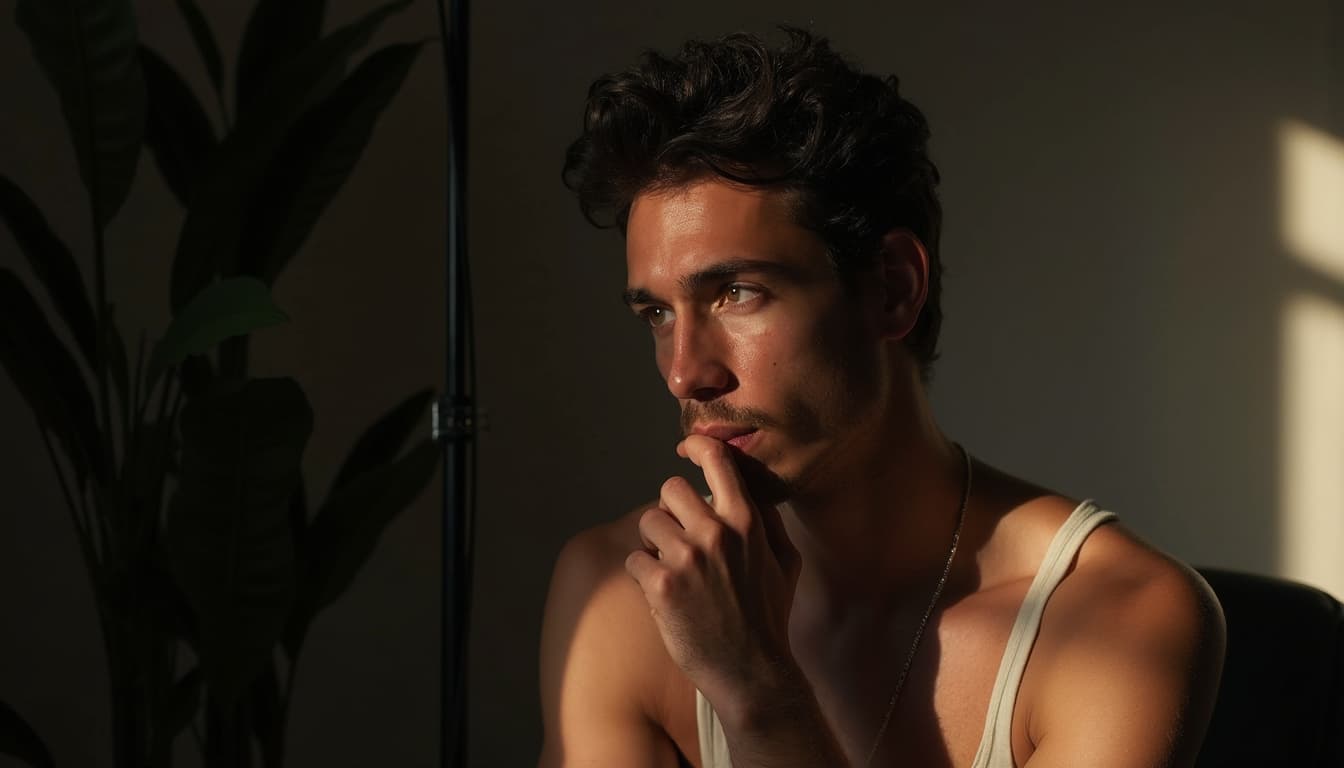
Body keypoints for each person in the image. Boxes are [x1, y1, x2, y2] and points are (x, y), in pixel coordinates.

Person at [539, 27, 1225, 768]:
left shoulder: (1115, 619)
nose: (685, 374)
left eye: (737, 293)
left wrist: (754, 688)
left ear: (893, 289)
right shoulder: (619, 596)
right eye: (658, 314)